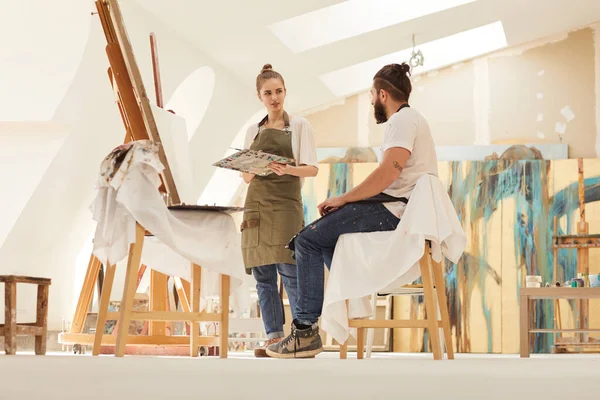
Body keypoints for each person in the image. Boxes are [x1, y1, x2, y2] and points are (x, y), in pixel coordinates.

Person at [267, 62, 439, 358]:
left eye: (372, 95)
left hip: (396, 212)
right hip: (399, 208)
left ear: (382, 94)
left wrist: (344, 198)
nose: (372, 101)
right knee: (323, 236)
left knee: (307, 240)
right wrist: (345, 201)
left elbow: (388, 174)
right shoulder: (411, 120)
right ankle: (353, 294)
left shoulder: (402, 120)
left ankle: (305, 332)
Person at [241, 64, 319, 357]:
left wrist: (287, 169)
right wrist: (253, 166)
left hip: (286, 204)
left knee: (290, 269)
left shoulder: (299, 125)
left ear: (285, 92)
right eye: (268, 93)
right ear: (259, 96)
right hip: (256, 205)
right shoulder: (254, 130)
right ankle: (273, 337)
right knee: (263, 274)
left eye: (278, 91)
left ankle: (303, 334)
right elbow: (246, 177)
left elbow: (311, 169)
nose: (274, 98)